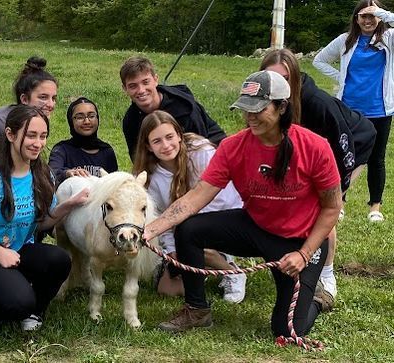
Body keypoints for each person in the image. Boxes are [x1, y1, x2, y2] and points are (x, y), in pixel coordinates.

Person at [142, 71, 341, 339]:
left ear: (282, 107)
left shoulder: (315, 147)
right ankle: (197, 309)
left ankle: (318, 299)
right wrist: (150, 230)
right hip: (256, 226)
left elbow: (331, 208)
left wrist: (304, 254)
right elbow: (195, 197)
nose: (250, 117)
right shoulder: (233, 147)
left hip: (300, 240)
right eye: (245, 110)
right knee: (189, 229)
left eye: (258, 110)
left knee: (287, 330)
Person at [261, 48, 377, 310]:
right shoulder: (266, 99)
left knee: (322, 210)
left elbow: (344, 145)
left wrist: (338, 193)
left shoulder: (315, 103)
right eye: (270, 77)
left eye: (283, 77)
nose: (277, 83)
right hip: (311, 152)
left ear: (294, 78)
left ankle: (327, 276)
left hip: (353, 143)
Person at [0, 105, 89, 331]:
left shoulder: (42, 174)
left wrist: (68, 205)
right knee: (16, 303)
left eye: (43, 136)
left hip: (17, 252)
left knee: (59, 260)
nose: (37, 143)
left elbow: (41, 223)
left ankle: (34, 312)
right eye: (30, 135)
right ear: (10, 134)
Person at [132, 110, 246, 302]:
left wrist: (188, 226)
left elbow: (223, 201)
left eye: (169, 137)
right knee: (167, 288)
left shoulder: (203, 153)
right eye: (157, 141)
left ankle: (231, 271)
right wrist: (171, 251)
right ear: (148, 146)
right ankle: (203, 267)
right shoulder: (152, 177)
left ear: (179, 134)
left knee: (191, 235)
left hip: (224, 218)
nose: (166, 146)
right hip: (180, 230)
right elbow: (161, 219)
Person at [313, 0, 394, 222]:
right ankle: (339, 202)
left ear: (379, 18)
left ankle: (375, 207)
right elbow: (319, 61)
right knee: (344, 155)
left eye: (372, 16)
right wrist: (342, 79)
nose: (368, 20)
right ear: (356, 19)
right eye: (363, 16)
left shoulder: (389, 39)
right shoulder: (345, 41)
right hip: (349, 109)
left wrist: (381, 12)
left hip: (380, 110)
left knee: (376, 159)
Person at [120, 56, 226, 161]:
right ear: (125, 89)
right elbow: (138, 159)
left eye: (145, 82)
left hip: (209, 153)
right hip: (167, 164)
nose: (141, 90)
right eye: (133, 86)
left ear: (155, 80)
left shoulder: (183, 106)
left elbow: (201, 146)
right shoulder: (130, 121)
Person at [49, 97, 118, 185]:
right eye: (80, 117)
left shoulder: (106, 151)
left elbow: (114, 183)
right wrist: (67, 174)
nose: (86, 121)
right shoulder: (62, 149)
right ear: (71, 121)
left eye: (91, 116)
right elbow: (51, 174)